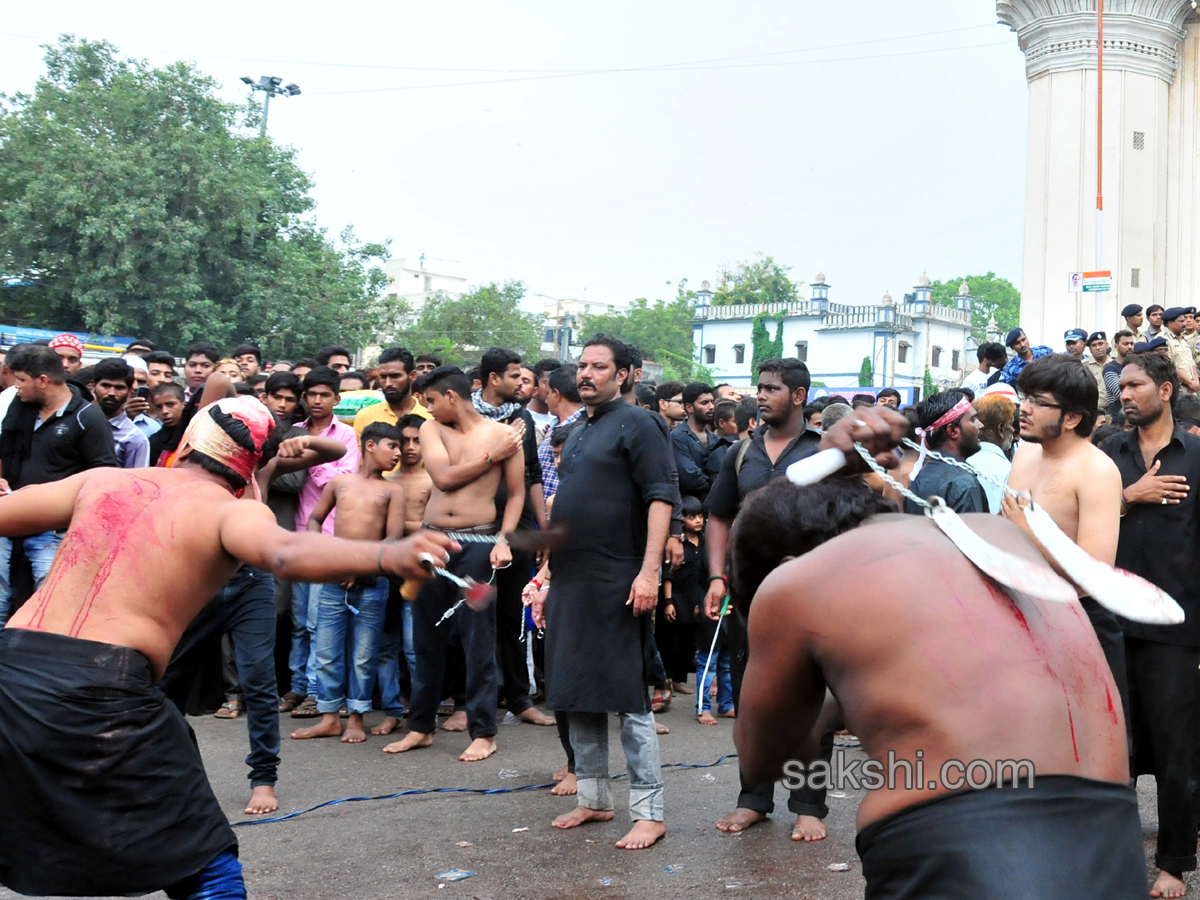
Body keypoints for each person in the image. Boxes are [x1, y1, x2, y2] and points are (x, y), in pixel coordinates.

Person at [0, 395, 458, 900]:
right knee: (205, 865)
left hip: (11, 668)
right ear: (254, 468)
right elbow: (286, 551)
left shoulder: (101, 481)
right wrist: (386, 553)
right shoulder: (228, 512)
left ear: (189, 441)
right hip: (102, 690)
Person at [732, 475, 1145, 900]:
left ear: (783, 564)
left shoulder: (795, 581)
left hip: (962, 851)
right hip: (1110, 834)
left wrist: (809, 701)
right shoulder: (995, 531)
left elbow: (766, 759)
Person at [529, 336, 674, 850]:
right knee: (575, 691)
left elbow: (661, 498)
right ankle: (592, 798)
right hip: (571, 582)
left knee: (628, 699)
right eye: (582, 365)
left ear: (627, 374)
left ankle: (649, 812)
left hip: (619, 580)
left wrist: (649, 573)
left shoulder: (641, 424)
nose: (586, 374)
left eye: (599, 366)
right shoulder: (579, 429)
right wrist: (545, 580)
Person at [702, 357, 828, 843]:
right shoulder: (741, 454)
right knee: (754, 699)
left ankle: (809, 806)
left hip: (810, 598)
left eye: (772, 388)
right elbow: (718, 517)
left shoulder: (824, 454)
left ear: (798, 396)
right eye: (759, 387)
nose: (762, 395)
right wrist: (716, 576)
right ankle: (753, 799)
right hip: (748, 595)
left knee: (809, 701)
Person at [384, 365, 524, 763]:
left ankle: (484, 731)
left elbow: (515, 495)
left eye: (430, 400)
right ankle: (420, 726)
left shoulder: (503, 434)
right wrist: (491, 456)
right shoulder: (434, 430)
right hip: (432, 539)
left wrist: (504, 539)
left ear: (450, 396)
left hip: (479, 540)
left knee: (477, 637)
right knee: (425, 638)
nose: (426, 409)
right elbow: (443, 479)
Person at [1099, 351, 1200, 899]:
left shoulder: (1198, 456)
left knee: (1177, 750)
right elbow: (1073, 516)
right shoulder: (1106, 454)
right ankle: (1112, 854)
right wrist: (1126, 498)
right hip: (1109, 624)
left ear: (1165, 390)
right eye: (1123, 387)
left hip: (1175, 632)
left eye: (1135, 385)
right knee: (1115, 747)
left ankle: (1174, 863)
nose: (1125, 395)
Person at [1004, 353, 1130, 740]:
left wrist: (1028, 529)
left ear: (1072, 417)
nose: (1024, 409)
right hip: (1020, 616)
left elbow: (1094, 570)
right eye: (1025, 397)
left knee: (1089, 756)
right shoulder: (1025, 452)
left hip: (1078, 626)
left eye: (1039, 402)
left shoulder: (1096, 470)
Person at [291, 422, 406, 744]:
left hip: (371, 581)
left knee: (363, 653)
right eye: (391, 446)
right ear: (370, 446)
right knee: (326, 650)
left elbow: (393, 538)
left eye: (399, 447)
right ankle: (329, 717)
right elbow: (315, 518)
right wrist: (320, 550)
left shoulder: (392, 490)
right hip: (332, 577)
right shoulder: (339, 483)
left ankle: (355, 717)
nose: (398, 453)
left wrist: (359, 565)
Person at [0, 345, 118, 627]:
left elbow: (104, 476)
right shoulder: (19, 409)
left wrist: (52, 496)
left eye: (22, 380)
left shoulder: (87, 418)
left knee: (49, 605)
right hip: (10, 520)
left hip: (55, 531)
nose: (16, 387)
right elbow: (3, 451)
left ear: (42, 381)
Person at [473, 347, 554, 728]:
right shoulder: (466, 417)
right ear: (493, 379)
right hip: (474, 532)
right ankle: (469, 704)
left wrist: (543, 533)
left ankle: (520, 700)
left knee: (514, 619)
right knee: (472, 620)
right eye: (515, 376)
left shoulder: (522, 417)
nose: (522, 383)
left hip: (519, 531)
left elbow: (533, 476)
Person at [287, 367, 363, 718]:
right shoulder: (293, 432)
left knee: (320, 620)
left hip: (330, 537)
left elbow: (343, 478)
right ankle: (297, 686)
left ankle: (318, 692)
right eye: (311, 395)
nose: (317, 401)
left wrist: (311, 461)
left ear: (336, 399)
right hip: (297, 535)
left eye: (324, 395)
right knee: (299, 619)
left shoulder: (346, 436)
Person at [372, 413, 435, 737]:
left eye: (417, 441)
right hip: (386, 566)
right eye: (404, 441)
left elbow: (430, 528)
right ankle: (393, 708)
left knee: (414, 645)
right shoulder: (386, 480)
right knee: (386, 645)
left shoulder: (431, 480)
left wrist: (399, 529)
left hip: (418, 569)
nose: (410, 448)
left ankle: (422, 710)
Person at [903, 391, 987, 515]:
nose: (981, 425)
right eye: (973, 419)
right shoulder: (964, 485)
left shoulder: (919, 479)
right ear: (953, 430)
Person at [92, 358, 151, 469]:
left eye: (119, 388)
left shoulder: (135, 439)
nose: (111, 393)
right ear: (94, 387)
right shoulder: (78, 424)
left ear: (129, 391)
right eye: (105, 386)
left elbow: (135, 481)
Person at [537, 365, 584, 501]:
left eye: (548, 394)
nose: (546, 401)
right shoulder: (553, 426)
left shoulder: (584, 429)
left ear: (556, 395)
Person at [966, 393, 1015, 513]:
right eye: (1011, 424)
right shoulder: (1007, 471)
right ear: (1001, 429)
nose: (1013, 430)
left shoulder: (960, 461)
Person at [672, 381, 717, 501]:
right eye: (704, 403)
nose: (711, 407)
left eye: (712, 402)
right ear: (689, 408)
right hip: (689, 509)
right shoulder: (677, 437)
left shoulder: (715, 438)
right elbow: (690, 477)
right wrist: (717, 486)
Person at [1163, 307, 1200, 395]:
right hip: (1177, 388)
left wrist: (1195, 381)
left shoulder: (1183, 339)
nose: (1184, 324)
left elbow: (1192, 363)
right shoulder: (1163, 340)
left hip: (1191, 388)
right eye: (1181, 321)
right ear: (1170, 323)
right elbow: (1169, 366)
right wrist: (1189, 383)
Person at [1103, 330, 1137, 419]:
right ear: (1116, 346)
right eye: (1125, 344)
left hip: (1137, 418)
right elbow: (1120, 393)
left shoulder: (1137, 366)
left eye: (1131, 344)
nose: (1130, 347)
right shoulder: (1110, 368)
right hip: (1119, 420)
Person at [150, 382, 186, 465]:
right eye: (159, 407)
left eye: (170, 404)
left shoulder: (195, 433)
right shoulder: (155, 442)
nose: (164, 411)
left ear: (184, 405)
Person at [1083, 332, 1110, 411]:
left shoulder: (1114, 364)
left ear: (1107, 345)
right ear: (1090, 349)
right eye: (1094, 345)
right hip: (1093, 411)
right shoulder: (1084, 366)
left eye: (1100, 344)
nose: (1098, 348)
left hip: (1113, 411)